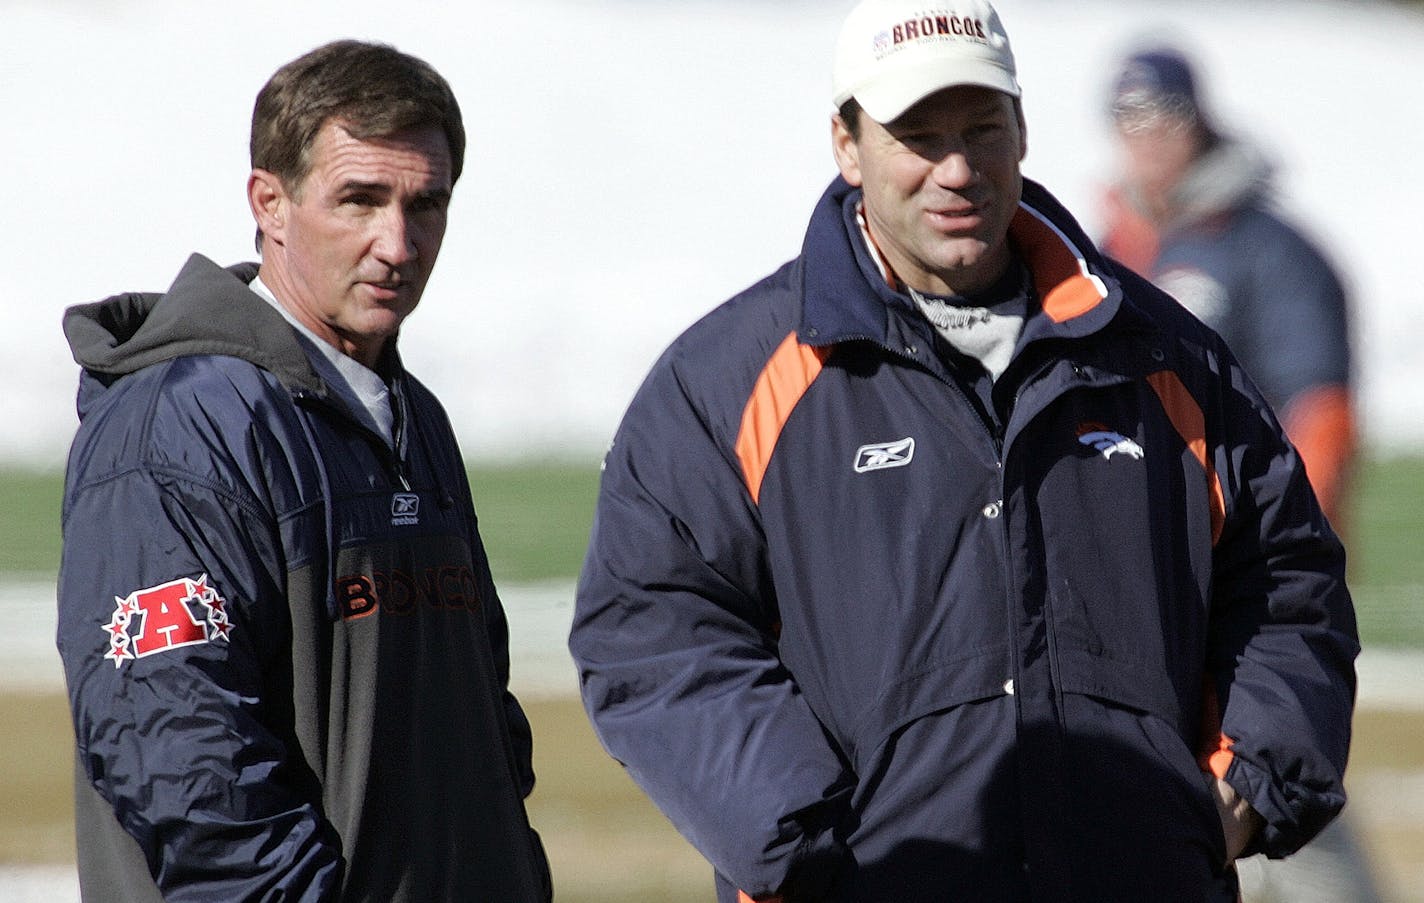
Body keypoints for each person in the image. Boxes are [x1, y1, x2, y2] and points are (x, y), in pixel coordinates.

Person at [568, 1, 1359, 901]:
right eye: (916, 134)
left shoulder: (1164, 353)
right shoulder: (725, 381)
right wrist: (803, 839)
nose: (957, 169)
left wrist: (1243, 789)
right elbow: (651, 629)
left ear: (1022, 131)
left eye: (982, 128)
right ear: (846, 142)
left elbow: (1288, 583)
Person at [57, 40, 551, 901]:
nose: (397, 242)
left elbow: (479, 711)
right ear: (270, 201)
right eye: (359, 199)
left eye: (425, 203)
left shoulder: (408, 412)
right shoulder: (176, 431)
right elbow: (187, 767)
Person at [1100, 47, 1380, 903]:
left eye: (1167, 118)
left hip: (1242, 568)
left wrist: (1292, 562)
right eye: (1131, 121)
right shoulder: (1110, 245)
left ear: (1201, 119)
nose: (1151, 141)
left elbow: (1319, 410)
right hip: (1137, 576)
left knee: (1268, 771)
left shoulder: (1269, 251)